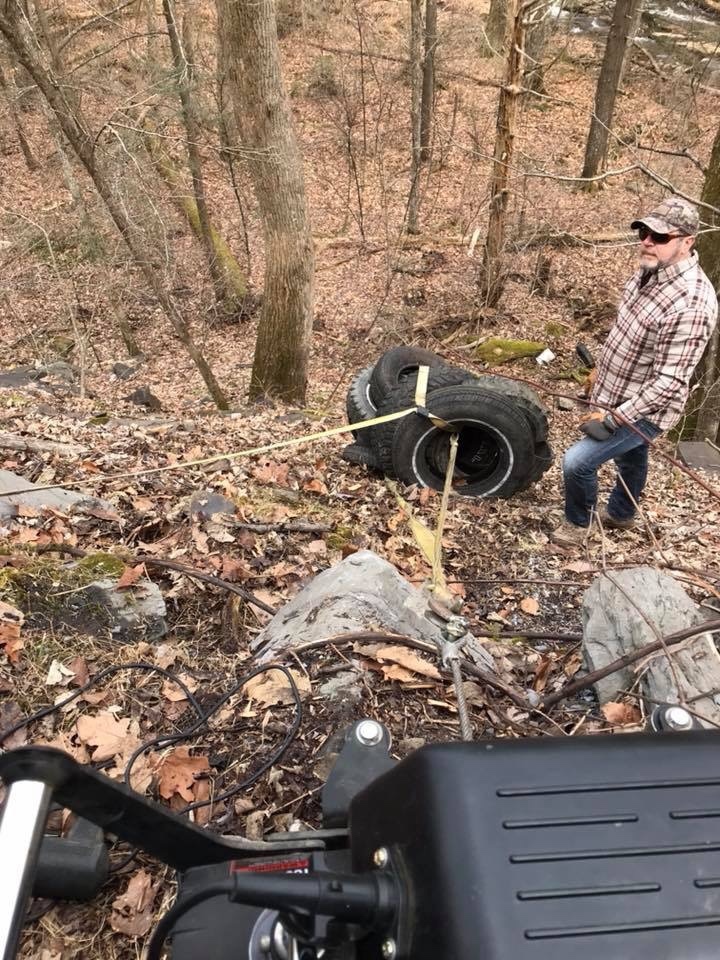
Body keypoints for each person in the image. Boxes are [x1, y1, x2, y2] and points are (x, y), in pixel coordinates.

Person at [552, 195, 718, 548]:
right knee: (632, 457)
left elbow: (670, 382)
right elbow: (627, 331)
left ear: (687, 242)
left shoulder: (690, 303)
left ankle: (577, 524)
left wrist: (614, 419)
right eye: (644, 231)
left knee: (576, 462)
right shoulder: (650, 270)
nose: (646, 241)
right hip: (615, 391)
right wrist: (599, 374)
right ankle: (622, 514)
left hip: (646, 409)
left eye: (659, 236)